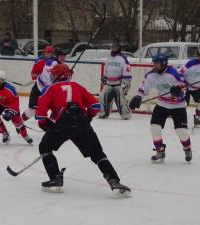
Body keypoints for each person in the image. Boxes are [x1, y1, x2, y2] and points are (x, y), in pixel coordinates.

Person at [35, 63, 131, 196]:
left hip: (62, 123)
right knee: (97, 153)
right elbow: (96, 105)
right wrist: (88, 118)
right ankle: (115, 182)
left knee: (45, 147)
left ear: (56, 76)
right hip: (81, 120)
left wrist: (45, 125)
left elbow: (40, 114)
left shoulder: (49, 88)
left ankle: (55, 179)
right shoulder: (77, 86)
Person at [129, 53, 192, 162]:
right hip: (162, 104)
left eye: (157, 63)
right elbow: (145, 87)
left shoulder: (173, 74)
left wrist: (179, 92)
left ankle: (187, 149)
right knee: (154, 127)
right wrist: (138, 97)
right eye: (154, 63)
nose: (155, 65)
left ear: (164, 63)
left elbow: (184, 89)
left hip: (178, 106)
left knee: (181, 131)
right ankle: (160, 151)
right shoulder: (151, 75)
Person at [21, 45, 56, 122]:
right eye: (46, 52)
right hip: (38, 87)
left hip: (50, 90)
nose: (46, 54)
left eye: (49, 53)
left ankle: (54, 127)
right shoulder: (39, 60)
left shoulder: (55, 62)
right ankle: (20, 121)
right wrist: (34, 79)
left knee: (56, 110)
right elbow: (33, 72)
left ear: (52, 53)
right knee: (32, 110)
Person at [98, 43, 132, 120]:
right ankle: (103, 113)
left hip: (119, 83)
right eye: (112, 48)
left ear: (119, 49)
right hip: (109, 83)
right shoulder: (109, 58)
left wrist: (126, 83)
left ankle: (125, 114)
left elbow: (127, 70)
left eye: (115, 48)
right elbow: (106, 68)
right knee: (103, 97)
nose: (113, 49)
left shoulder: (123, 58)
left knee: (121, 100)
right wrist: (105, 77)